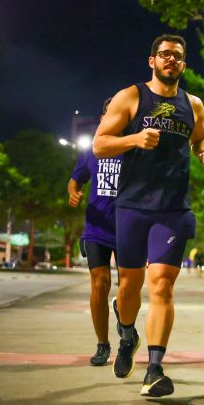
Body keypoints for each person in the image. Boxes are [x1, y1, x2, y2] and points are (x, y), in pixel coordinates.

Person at [93, 34, 204, 397]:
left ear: (183, 63)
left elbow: (202, 136)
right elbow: (100, 144)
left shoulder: (193, 103)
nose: (170, 60)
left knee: (162, 285)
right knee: (130, 287)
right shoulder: (131, 97)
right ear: (152, 61)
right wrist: (133, 140)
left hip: (173, 209)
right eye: (164, 55)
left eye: (177, 56)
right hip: (132, 206)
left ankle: (156, 370)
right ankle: (127, 334)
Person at [67, 97, 121, 366]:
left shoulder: (134, 149)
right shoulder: (91, 151)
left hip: (127, 228)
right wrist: (73, 192)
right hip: (96, 228)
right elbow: (75, 180)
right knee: (100, 284)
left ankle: (122, 312)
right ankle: (102, 345)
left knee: (129, 288)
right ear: (103, 119)